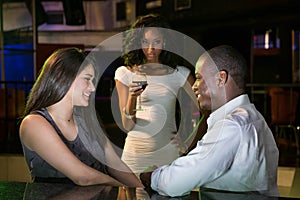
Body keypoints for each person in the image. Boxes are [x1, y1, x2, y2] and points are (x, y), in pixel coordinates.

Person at [140, 45, 279, 197]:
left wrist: (153, 177)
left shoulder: (232, 125)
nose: (194, 86)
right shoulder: (253, 117)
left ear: (221, 78)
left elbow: (178, 181)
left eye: (199, 78)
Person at [19, 47, 143, 187]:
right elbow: (83, 177)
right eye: (87, 79)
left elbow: (114, 164)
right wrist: (122, 189)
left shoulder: (85, 119)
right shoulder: (34, 123)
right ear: (62, 76)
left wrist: (141, 190)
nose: (92, 88)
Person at [114, 14, 199, 175]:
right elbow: (127, 125)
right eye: (145, 42)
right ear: (138, 42)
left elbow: (202, 110)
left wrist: (189, 141)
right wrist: (132, 97)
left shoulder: (180, 74)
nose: (150, 49)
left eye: (156, 42)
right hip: (134, 155)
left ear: (165, 42)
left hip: (168, 154)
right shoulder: (125, 74)